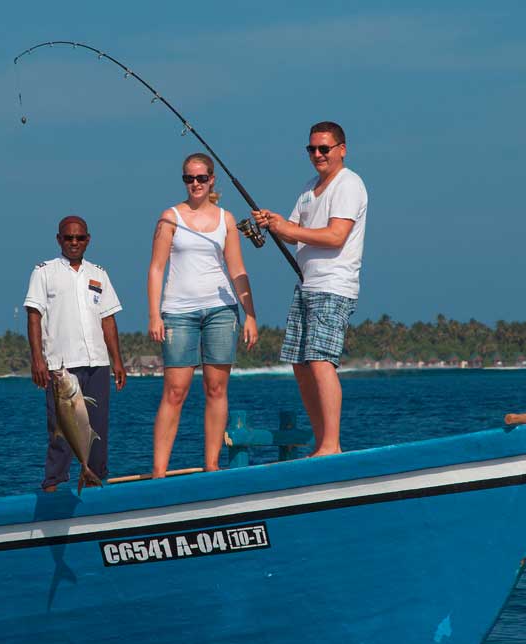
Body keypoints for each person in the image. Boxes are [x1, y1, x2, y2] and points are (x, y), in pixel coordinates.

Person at [253, 121, 367, 457]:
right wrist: (273, 223)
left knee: (320, 360)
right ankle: (322, 442)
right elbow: (291, 231)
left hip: (334, 285)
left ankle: (332, 445)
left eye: (324, 149)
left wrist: (291, 230)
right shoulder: (308, 188)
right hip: (306, 284)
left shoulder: (349, 184)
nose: (317, 155)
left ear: (341, 149)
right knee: (300, 364)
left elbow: (335, 236)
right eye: (311, 149)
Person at [148, 153, 258, 477]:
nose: (194, 184)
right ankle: (159, 471)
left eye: (200, 178)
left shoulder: (226, 219)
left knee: (216, 388)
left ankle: (212, 465)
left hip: (222, 309)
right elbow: (156, 268)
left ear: (211, 180)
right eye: (188, 178)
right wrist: (155, 315)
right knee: (175, 389)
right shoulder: (170, 218)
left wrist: (250, 314)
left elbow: (237, 269)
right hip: (178, 312)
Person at [25, 215, 126, 492]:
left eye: (79, 238)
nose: (74, 242)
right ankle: (53, 484)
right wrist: (37, 359)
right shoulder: (44, 272)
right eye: (68, 237)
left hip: (98, 363)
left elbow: (108, 319)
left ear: (88, 240)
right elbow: (34, 316)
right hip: (62, 367)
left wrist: (117, 360)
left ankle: (95, 480)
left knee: (98, 430)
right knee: (60, 432)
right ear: (59, 239)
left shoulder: (99, 273)